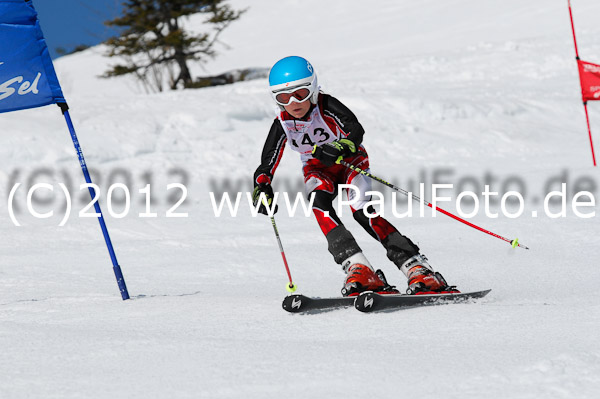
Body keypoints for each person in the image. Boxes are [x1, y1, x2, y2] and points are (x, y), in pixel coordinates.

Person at [252, 56, 456, 296]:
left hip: (349, 162)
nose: (294, 102)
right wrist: (262, 186)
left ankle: (417, 266)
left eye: (301, 93)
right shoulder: (283, 123)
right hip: (318, 169)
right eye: (283, 98)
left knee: (361, 211)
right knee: (319, 205)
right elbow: (266, 163)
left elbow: (355, 129)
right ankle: (358, 266)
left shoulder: (326, 106)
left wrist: (340, 147)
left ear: (314, 88)